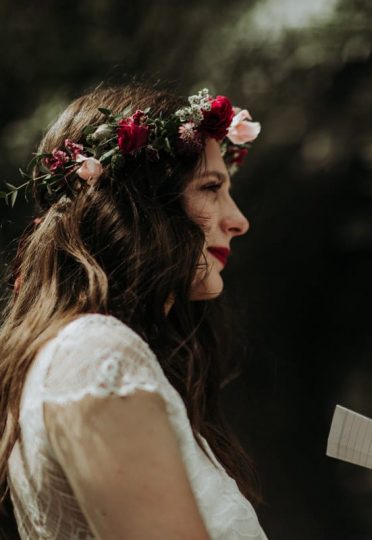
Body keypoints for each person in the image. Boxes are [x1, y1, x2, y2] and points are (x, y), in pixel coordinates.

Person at [0, 85, 266, 538]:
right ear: (141, 203)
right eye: (210, 187)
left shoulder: (93, 350)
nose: (238, 220)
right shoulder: (96, 354)